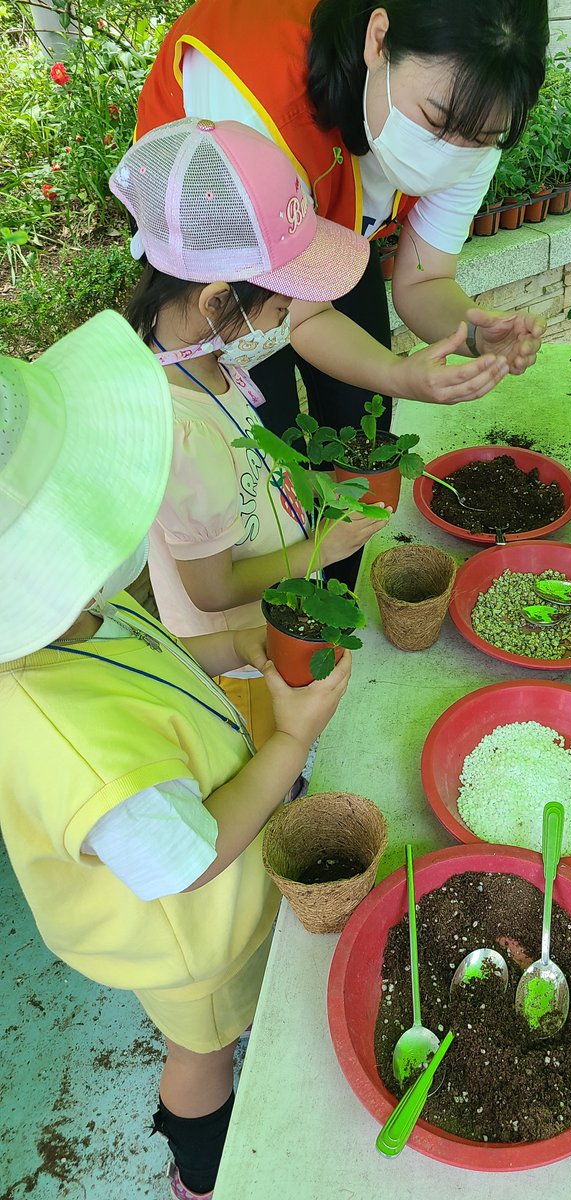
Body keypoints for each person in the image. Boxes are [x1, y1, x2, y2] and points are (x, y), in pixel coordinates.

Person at [0, 310, 351, 1200]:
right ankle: (200, 1171)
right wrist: (292, 739)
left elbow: (146, 657)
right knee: (204, 1046)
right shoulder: (65, 735)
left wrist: (234, 644)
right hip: (193, 937)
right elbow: (185, 857)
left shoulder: (62, 621)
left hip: (226, 881)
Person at [135, 0, 550, 439]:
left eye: (481, 138)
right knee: (261, 437)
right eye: (434, 120)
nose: (450, 152)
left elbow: (425, 280)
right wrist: (398, 374)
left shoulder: (474, 117)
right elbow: (305, 316)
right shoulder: (259, 108)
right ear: (378, 39)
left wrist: (473, 335)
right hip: (218, 233)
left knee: (362, 425)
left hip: (322, 227)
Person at [111, 117, 387, 742]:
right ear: (215, 302)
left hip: (267, 615)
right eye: (282, 305)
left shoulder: (204, 360)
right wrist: (327, 549)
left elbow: (249, 465)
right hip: (240, 660)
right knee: (270, 745)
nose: (288, 319)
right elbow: (211, 591)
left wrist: (306, 488)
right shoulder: (186, 436)